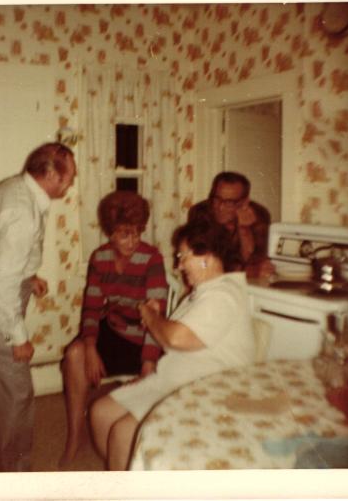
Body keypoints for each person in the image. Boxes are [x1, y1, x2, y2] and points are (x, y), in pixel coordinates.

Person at [90, 220, 256, 470]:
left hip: (206, 389)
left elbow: (176, 338)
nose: (179, 266)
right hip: (174, 378)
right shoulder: (202, 292)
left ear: (206, 257)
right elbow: (174, 335)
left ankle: (127, 480)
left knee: (123, 433)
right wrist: (157, 320)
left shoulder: (223, 296)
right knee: (100, 413)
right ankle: (126, 474)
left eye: (182, 256)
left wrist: (150, 317)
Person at [0, 142, 76, 471]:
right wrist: (18, 337)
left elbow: (3, 254)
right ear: (51, 173)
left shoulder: (17, 190)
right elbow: (2, 282)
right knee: (18, 390)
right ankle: (15, 471)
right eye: (69, 176)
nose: (71, 183)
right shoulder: (22, 210)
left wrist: (29, 275)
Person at [60, 190, 168, 466]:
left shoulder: (152, 258)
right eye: (124, 234)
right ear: (110, 232)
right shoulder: (100, 258)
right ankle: (74, 435)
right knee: (74, 354)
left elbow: (156, 318)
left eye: (138, 232)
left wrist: (148, 365)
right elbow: (92, 306)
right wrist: (90, 347)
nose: (133, 241)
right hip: (116, 329)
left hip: (146, 337)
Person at [187, 171, 274, 278]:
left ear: (244, 202)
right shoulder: (200, 213)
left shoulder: (259, 215)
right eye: (217, 199)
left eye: (229, 202)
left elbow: (255, 262)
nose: (220, 207)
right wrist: (246, 271)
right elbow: (204, 263)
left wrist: (244, 230)